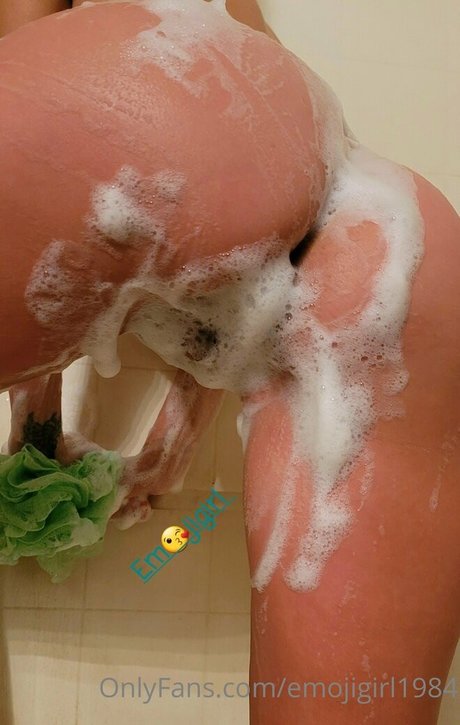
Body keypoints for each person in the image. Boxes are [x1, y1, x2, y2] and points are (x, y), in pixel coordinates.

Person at [0, 1, 459, 723]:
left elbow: (44, 134)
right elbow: (230, 277)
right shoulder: (233, 27)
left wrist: (36, 421)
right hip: (391, 239)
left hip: (156, 135)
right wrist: (171, 442)